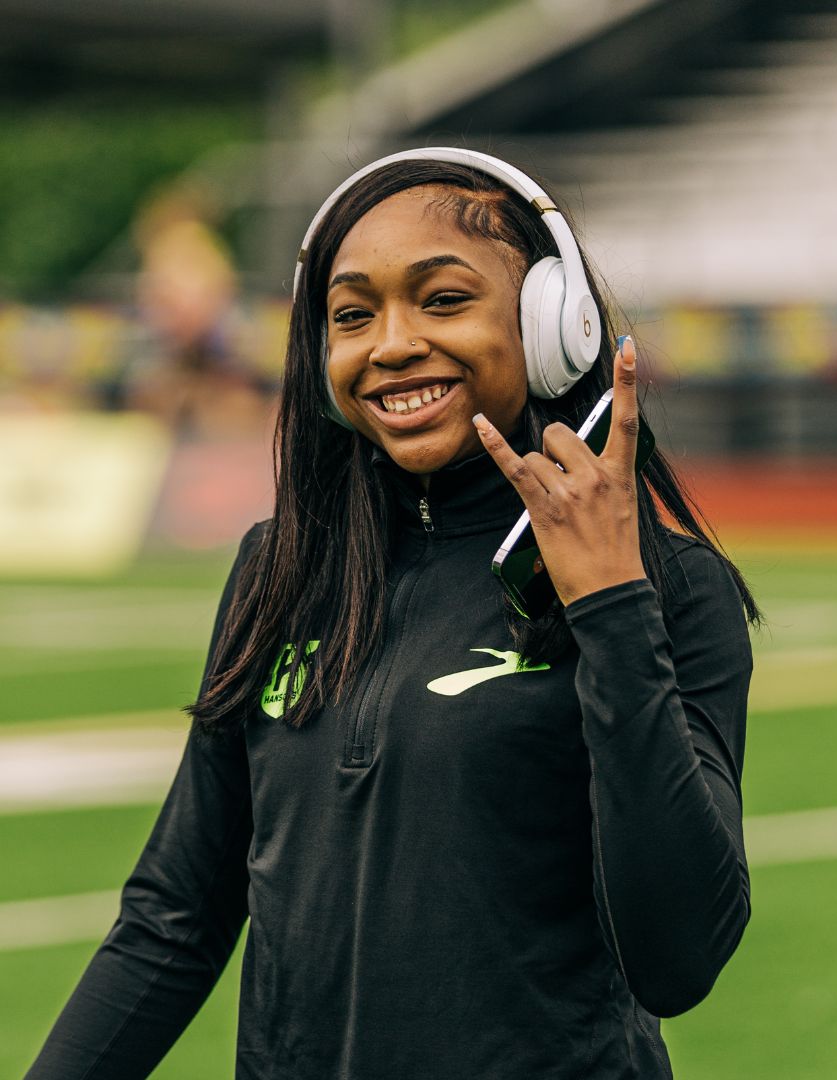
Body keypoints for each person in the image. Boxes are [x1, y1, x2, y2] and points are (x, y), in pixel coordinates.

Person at [27, 148, 758, 1080]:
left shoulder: (670, 587)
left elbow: (679, 957)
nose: (392, 343)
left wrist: (612, 606)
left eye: (444, 300)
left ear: (553, 326)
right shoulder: (278, 569)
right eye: (351, 315)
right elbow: (174, 916)